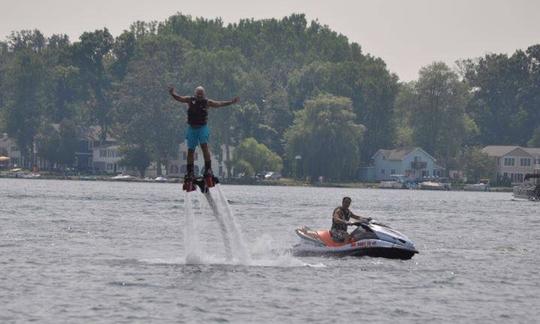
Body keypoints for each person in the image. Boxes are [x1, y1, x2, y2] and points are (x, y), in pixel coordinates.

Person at [168, 86, 239, 185]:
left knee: (204, 147)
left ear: (204, 94)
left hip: (202, 128)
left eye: (201, 93)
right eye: (198, 93)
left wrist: (231, 102)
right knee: (190, 150)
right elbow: (180, 98)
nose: (200, 95)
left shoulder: (207, 102)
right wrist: (172, 93)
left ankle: (208, 169)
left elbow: (219, 104)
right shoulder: (190, 100)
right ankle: (190, 171)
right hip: (192, 128)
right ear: (195, 93)